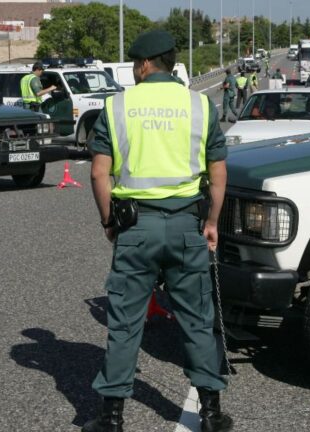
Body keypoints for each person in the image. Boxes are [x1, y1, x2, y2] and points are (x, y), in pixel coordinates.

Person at [86, 29, 232, 432]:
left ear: (145, 64)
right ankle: (211, 413)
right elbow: (218, 174)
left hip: (136, 228)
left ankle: (111, 417)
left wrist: (108, 223)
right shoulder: (200, 105)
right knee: (196, 320)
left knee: (126, 323)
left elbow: (100, 173)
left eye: (135, 64)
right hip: (187, 227)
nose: (134, 70)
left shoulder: (117, 107)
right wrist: (212, 223)